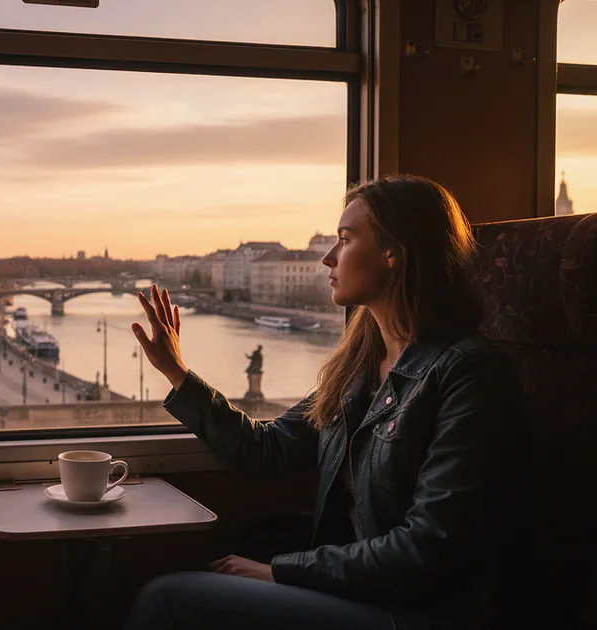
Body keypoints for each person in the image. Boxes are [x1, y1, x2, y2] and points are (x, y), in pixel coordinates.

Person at [125, 175, 527, 630]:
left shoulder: (470, 374)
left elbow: (427, 549)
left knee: (165, 600)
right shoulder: (361, 366)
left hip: (420, 611)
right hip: (363, 591)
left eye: (345, 239)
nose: (327, 257)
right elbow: (269, 450)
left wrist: (280, 571)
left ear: (394, 252)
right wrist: (177, 373)